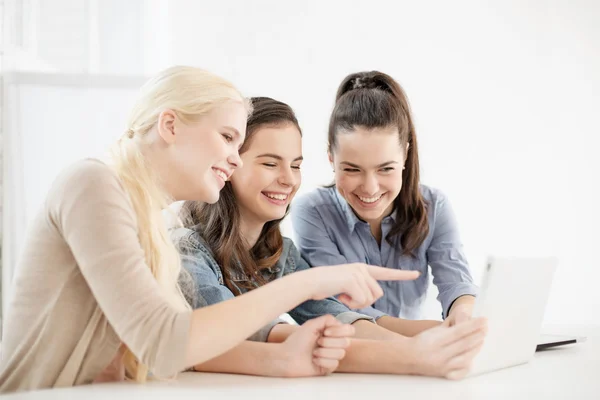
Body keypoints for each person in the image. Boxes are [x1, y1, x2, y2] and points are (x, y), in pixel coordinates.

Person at [0, 67, 414, 393]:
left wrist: (285, 361)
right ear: (170, 125)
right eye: (228, 137)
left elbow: (173, 356)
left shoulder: (150, 225)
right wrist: (310, 282)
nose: (235, 160)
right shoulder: (92, 183)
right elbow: (164, 342)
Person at [174, 96, 487, 380]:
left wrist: (440, 337)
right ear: (230, 165)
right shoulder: (187, 249)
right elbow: (243, 333)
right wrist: (413, 353)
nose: (288, 179)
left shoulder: (281, 253)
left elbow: (337, 315)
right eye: (271, 163)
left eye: (296, 165)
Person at [291, 71, 479, 327]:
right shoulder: (312, 212)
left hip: (420, 354)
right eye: (352, 169)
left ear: (405, 156)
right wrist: (434, 332)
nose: (370, 188)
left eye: (385, 169)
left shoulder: (434, 205)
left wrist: (463, 317)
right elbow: (341, 308)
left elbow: (456, 282)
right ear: (331, 159)